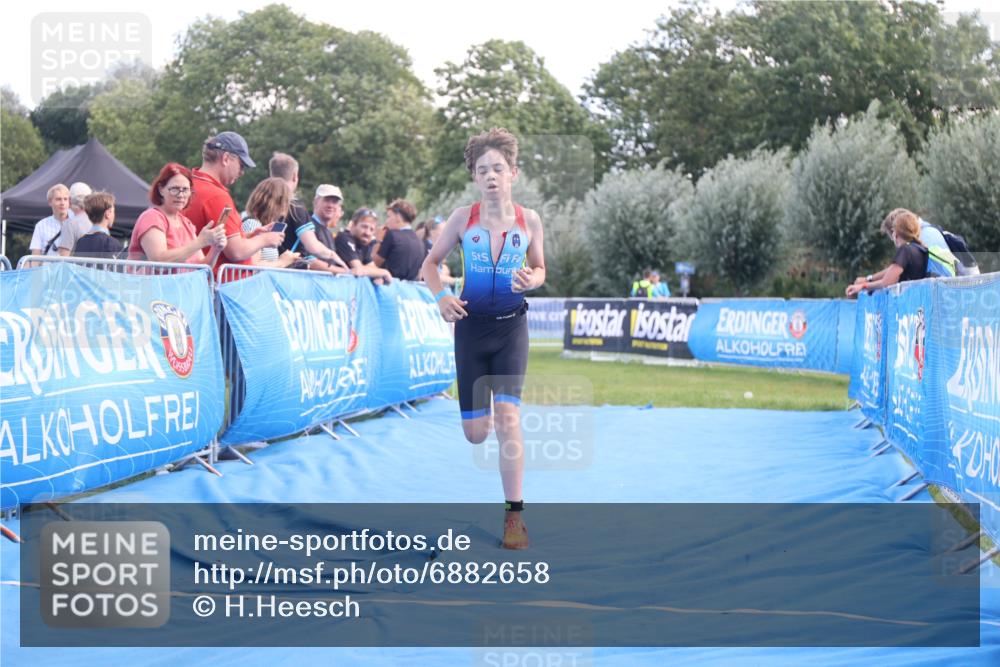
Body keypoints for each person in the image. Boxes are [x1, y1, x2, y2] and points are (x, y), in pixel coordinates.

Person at [421, 128, 546, 550]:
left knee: (509, 420)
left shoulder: (530, 220)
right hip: (472, 330)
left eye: (498, 169)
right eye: (482, 170)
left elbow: (541, 268)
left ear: (513, 172)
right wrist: (441, 297)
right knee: (476, 434)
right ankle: (486, 415)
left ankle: (515, 517)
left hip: (512, 328)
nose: (491, 176)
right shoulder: (462, 218)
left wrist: (532, 279)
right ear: (475, 177)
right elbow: (431, 264)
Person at [186, 131, 284, 278]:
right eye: (241, 165)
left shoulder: (187, 184)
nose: (242, 172)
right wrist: (265, 239)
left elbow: (219, 236)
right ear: (226, 158)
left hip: (196, 281)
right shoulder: (217, 196)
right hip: (220, 287)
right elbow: (236, 251)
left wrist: (250, 235)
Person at [129, 162, 228, 265]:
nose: (181, 195)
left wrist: (215, 250)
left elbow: (201, 267)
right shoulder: (151, 217)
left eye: (185, 190)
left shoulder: (186, 223)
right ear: (161, 189)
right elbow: (158, 262)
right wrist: (200, 242)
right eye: (175, 189)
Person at [846, 210, 934, 297]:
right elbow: (892, 271)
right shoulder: (921, 248)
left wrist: (862, 286)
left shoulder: (905, 250)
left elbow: (886, 282)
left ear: (895, 234)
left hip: (908, 306)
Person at [281, 180, 349, 274]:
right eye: (326, 200)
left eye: (334, 202)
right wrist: (344, 272)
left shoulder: (328, 232)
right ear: (316, 201)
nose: (330, 205)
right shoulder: (307, 226)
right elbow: (311, 262)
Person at [241, 177, 300, 268]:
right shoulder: (252, 225)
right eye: (286, 202)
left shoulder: (263, 227)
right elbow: (253, 265)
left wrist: (288, 260)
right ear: (277, 203)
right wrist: (283, 261)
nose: (287, 207)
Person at [335, 208, 392, 282]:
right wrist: (384, 272)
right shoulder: (344, 238)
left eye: (371, 229)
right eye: (364, 227)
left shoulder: (363, 244)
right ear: (353, 225)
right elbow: (359, 269)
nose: (367, 233)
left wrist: (379, 275)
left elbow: (372, 268)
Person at [374, 199, 424, 280]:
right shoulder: (419, 241)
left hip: (389, 286)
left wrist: (378, 240)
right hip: (410, 289)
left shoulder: (392, 235)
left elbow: (375, 263)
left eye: (389, 216)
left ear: (398, 217)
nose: (387, 221)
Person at [73, 192, 123, 258]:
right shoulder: (112, 244)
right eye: (113, 211)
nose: (114, 215)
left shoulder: (81, 242)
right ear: (108, 213)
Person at [30, 184, 70, 256]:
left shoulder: (77, 224)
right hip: (48, 267)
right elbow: (35, 258)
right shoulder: (41, 225)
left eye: (65, 199)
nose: (62, 203)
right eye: (58, 199)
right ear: (50, 202)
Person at [417, 217, 457, 289]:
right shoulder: (424, 248)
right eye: (443, 230)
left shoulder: (435, 248)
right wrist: (456, 281)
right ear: (432, 231)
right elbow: (427, 275)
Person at [57, 182, 93, 256]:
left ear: (70, 200)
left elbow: (63, 257)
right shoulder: (97, 222)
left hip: (76, 267)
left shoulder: (70, 224)